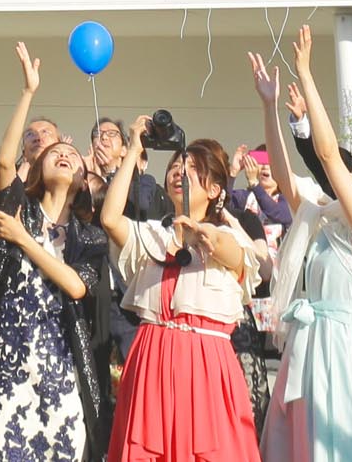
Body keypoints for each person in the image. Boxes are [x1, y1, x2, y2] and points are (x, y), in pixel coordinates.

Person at [250, 27, 352, 462]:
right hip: (305, 349)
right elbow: (284, 181)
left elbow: (328, 156)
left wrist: (307, 74)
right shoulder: (329, 220)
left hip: (338, 357)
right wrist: (269, 106)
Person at [103, 114, 262, 462]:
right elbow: (110, 219)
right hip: (151, 356)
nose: (179, 172)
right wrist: (132, 151)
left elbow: (235, 256)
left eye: (192, 168)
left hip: (206, 362)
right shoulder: (152, 235)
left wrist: (207, 236)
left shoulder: (228, 235)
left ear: (215, 189)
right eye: (175, 166)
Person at [0, 125, 112, 462]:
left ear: (83, 181)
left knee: (64, 446)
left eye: (71, 155)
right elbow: (5, 162)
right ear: (37, 170)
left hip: (61, 357)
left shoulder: (91, 236)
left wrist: (23, 239)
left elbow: (76, 286)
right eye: (55, 153)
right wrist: (27, 96)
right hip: (12, 355)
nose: (63, 154)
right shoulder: (20, 210)